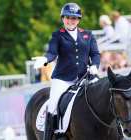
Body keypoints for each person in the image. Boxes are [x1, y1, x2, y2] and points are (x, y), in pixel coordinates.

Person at [32, 3, 100, 140]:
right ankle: (50, 136)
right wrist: (45, 59)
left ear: (78, 20)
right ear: (63, 18)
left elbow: (95, 54)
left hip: (85, 77)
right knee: (53, 106)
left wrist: (95, 65)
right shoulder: (58, 35)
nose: (70, 21)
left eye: (74, 18)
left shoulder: (88, 35)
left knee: (103, 95)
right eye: (68, 18)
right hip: (63, 79)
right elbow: (52, 53)